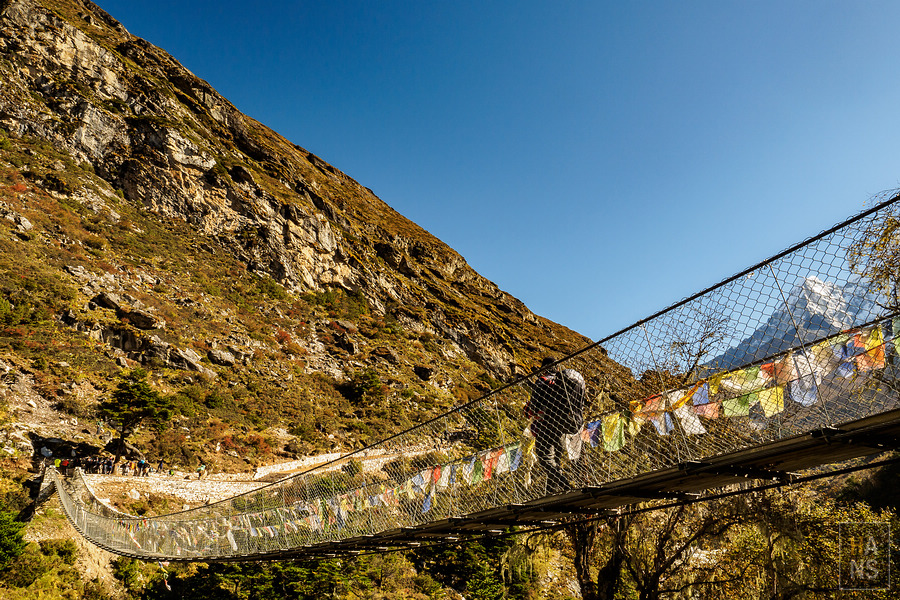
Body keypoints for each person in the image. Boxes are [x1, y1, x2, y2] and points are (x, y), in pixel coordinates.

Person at [524, 357, 586, 493]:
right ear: (557, 368)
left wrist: (528, 409)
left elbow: (534, 407)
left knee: (546, 460)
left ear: (543, 368)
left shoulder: (542, 381)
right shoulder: (560, 382)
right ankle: (551, 493)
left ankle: (565, 485)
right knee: (555, 462)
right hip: (561, 427)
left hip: (545, 426)